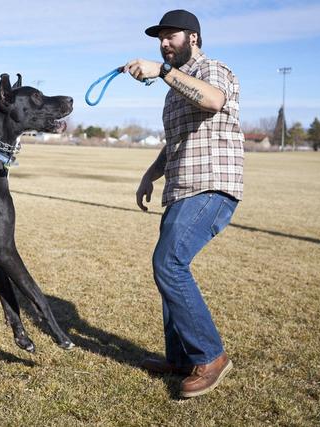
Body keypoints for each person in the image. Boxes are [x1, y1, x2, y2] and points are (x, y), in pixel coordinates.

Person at [122, 9, 244, 398]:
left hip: (212, 187)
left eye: (170, 36)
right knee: (169, 268)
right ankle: (180, 358)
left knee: (169, 263)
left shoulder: (213, 69)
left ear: (192, 37)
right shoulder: (174, 92)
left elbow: (212, 100)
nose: (163, 44)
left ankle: (211, 357)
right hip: (180, 188)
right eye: (159, 39)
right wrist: (151, 174)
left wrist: (162, 72)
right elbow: (176, 139)